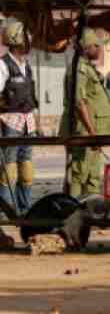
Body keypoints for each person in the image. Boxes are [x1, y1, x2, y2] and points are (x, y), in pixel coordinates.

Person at [0, 22, 38, 215]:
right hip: (9, 122)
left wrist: (36, 125)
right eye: (26, 38)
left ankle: (24, 208)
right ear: (17, 40)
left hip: (28, 122)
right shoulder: (1, 65)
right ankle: (4, 209)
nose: (29, 42)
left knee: (26, 168)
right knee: (9, 168)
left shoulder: (26, 66)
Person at [60, 28, 110, 198]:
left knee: (93, 175)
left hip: (94, 133)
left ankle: (91, 214)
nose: (100, 49)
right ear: (88, 47)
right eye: (97, 46)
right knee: (78, 174)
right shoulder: (79, 68)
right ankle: (73, 213)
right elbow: (79, 103)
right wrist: (91, 132)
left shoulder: (88, 67)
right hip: (85, 131)